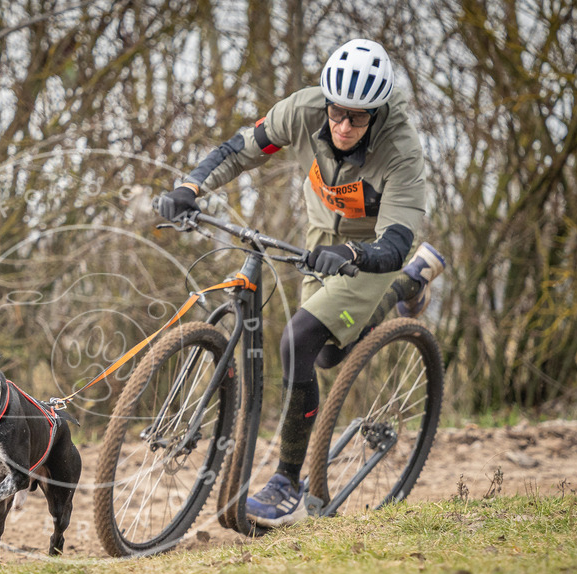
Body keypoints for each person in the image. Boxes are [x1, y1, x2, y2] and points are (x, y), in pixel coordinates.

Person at [155, 38, 445, 527]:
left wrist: (356, 254)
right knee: (327, 354)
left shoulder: (403, 154)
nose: (343, 125)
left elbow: (395, 240)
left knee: (299, 340)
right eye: (337, 113)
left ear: (377, 113)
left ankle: (287, 483)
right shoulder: (306, 109)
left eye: (357, 117)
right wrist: (190, 186)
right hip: (318, 236)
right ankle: (413, 285)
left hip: (367, 252)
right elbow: (243, 149)